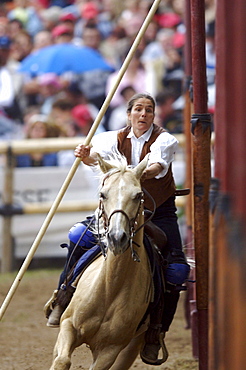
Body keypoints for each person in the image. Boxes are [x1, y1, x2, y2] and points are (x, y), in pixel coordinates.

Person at [45, 93, 190, 365]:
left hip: (157, 212)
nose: (143, 114)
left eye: (149, 110)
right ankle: (62, 297)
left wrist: (134, 174)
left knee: (177, 271)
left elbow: (158, 166)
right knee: (77, 236)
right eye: (138, 109)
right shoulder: (111, 138)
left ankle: (155, 333)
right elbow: (97, 160)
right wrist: (86, 156)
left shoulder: (165, 140)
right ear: (129, 114)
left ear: (154, 115)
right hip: (117, 208)